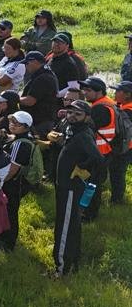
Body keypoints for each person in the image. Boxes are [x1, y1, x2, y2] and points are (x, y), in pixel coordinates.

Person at [54, 101, 100, 276]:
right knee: (71, 223)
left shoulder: (84, 135)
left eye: (77, 114)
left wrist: (82, 170)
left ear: (87, 117)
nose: (72, 116)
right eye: (70, 112)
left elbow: (98, 159)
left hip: (71, 187)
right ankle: (72, 262)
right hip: (64, 185)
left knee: (65, 226)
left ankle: (61, 268)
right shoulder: (73, 129)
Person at [79, 77, 117, 221]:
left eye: (88, 90)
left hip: (98, 152)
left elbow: (88, 128)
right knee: (94, 183)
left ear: (99, 91)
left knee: (92, 185)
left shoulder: (99, 108)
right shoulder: (108, 103)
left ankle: (89, 215)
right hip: (105, 150)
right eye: (84, 89)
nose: (85, 93)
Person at [1, 111, 35, 251]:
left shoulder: (19, 144)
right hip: (18, 183)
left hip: (13, 184)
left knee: (9, 212)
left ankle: (8, 243)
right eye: (11, 122)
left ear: (26, 127)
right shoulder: (24, 138)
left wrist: (0, 183)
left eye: (17, 123)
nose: (12, 125)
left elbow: (12, 168)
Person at [20, 51, 60, 138]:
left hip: (41, 123)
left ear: (35, 62)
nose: (26, 66)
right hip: (42, 120)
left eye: (27, 63)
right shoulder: (44, 74)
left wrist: (14, 98)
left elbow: (30, 101)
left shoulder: (43, 78)